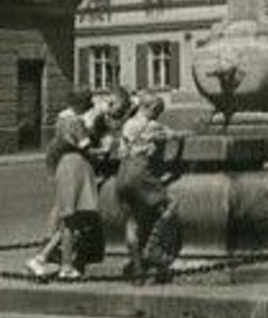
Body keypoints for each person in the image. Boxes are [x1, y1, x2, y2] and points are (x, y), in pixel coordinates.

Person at [27, 88, 104, 281]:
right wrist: (106, 150)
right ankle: (63, 265)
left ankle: (44, 258)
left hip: (65, 165)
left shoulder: (61, 121)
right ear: (81, 104)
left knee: (72, 219)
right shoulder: (75, 123)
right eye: (88, 104)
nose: (90, 107)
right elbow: (87, 149)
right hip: (75, 166)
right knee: (72, 220)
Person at [114, 93, 182, 284]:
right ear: (151, 108)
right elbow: (176, 136)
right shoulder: (153, 125)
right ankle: (152, 249)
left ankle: (137, 270)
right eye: (158, 111)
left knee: (132, 221)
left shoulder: (128, 124)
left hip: (122, 174)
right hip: (140, 173)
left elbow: (121, 151)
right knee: (172, 203)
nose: (158, 115)